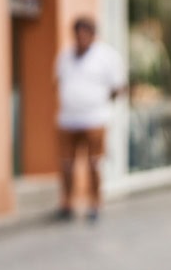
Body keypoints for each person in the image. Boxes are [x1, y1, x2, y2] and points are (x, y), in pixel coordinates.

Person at [54, 16, 126, 223]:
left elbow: (117, 87)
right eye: (78, 33)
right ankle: (67, 202)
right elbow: (58, 81)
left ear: (93, 35)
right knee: (66, 163)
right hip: (68, 119)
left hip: (95, 118)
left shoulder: (107, 57)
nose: (81, 38)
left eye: (85, 33)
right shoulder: (65, 56)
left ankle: (94, 203)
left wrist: (98, 101)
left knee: (94, 163)